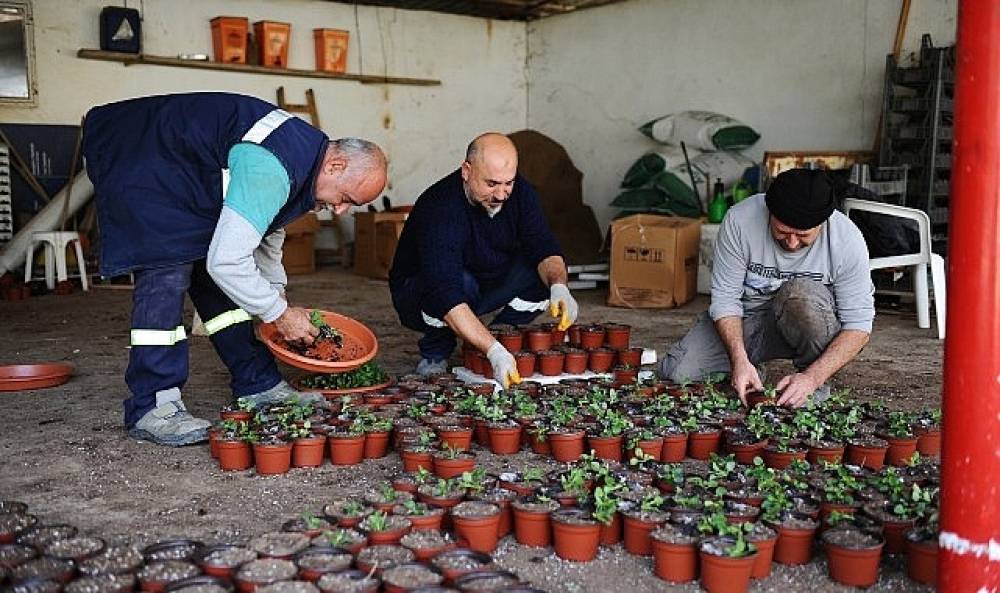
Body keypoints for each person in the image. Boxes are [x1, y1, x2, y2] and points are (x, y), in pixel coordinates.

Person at [82, 92, 387, 446]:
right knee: (167, 272)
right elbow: (228, 260)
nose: (340, 211)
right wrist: (279, 313)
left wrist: (274, 293)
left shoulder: (303, 162)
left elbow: (268, 229)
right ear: (336, 166)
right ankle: (152, 406)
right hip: (141, 157)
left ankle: (259, 384)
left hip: (184, 171)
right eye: (347, 199)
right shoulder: (274, 164)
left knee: (219, 281)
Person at [659, 168, 874, 408]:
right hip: (747, 319)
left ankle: (808, 388)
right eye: (782, 232)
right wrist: (739, 359)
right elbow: (725, 299)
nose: (791, 243)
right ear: (769, 213)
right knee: (678, 371)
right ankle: (750, 368)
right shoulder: (740, 220)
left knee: (798, 294)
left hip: (803, 320)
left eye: (802, 235)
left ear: (822, 224)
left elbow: (859, 326)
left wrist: (812, 378)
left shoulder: (847, 240)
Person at [389, 133, 578, 388]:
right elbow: (444, 290)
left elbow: (543, 245)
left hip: (485, 279)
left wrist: (559, 286)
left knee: (541, 272)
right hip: (422, 292)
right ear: (467, 171)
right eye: (491, 184)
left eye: (508, 183)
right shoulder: (440, 208)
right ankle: (436, 350)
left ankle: (499, 337)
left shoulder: (522, 194)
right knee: (459, 285)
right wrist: (493, 352)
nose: (501, 194)